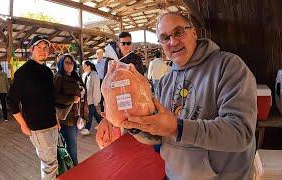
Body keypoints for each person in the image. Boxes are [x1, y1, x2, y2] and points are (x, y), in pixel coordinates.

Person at [96, 12, 257, 180]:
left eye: (179, 32)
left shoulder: (228, 66)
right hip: (174, 175)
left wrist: (177, 127)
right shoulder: (165, 82)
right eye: (165, 38)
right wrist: (132, 124)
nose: (173, 42)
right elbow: (157, 135)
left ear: (194, 32)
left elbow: (240, 132)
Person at [6, 35, 60, 180]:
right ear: (32, 50)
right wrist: (23, 124)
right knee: (50, 165)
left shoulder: (48, 72)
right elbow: (11, 100)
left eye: (45, 48)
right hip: (37, 127)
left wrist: (56, 120)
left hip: (52, 125)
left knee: (52, 161)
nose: (43, 51)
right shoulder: (23, 72)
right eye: (39, 48)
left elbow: (50, 99)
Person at [54, 53, 84, 166]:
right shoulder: (59, 77)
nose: (69, 65)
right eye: (66, 62)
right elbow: (54, 97)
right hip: (65, 119)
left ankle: (71, 169)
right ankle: (75, 171)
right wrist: (71, 99)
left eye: (71, 62)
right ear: (61, 64)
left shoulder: (75, 77)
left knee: (72, 145)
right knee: (72, 148)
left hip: (76, 117)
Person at [81, 60, 102, 136]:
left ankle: (87, 128)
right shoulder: (84, 75)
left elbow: (96, 89)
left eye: (84, 66)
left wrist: (96, 100)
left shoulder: (94, 75)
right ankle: (101, 123)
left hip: (92, 99)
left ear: (88, 66)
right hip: (86, 98)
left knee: (90, 113)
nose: (83, 67)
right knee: (94, 113)